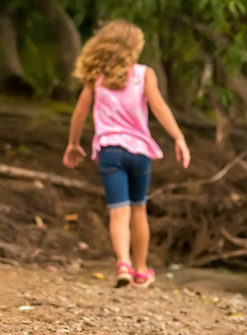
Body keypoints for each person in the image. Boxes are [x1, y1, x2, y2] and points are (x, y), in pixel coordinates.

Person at [62, 20, 190, 288]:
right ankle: (141, 270)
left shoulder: (96, 79)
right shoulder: (144, 74)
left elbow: (79, 114)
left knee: (118, 212)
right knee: (139, 208)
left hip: (110, 152)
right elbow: (159, 107)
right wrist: (178, 137)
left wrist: (73, 144)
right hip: (139, 152)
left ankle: (123, 263)